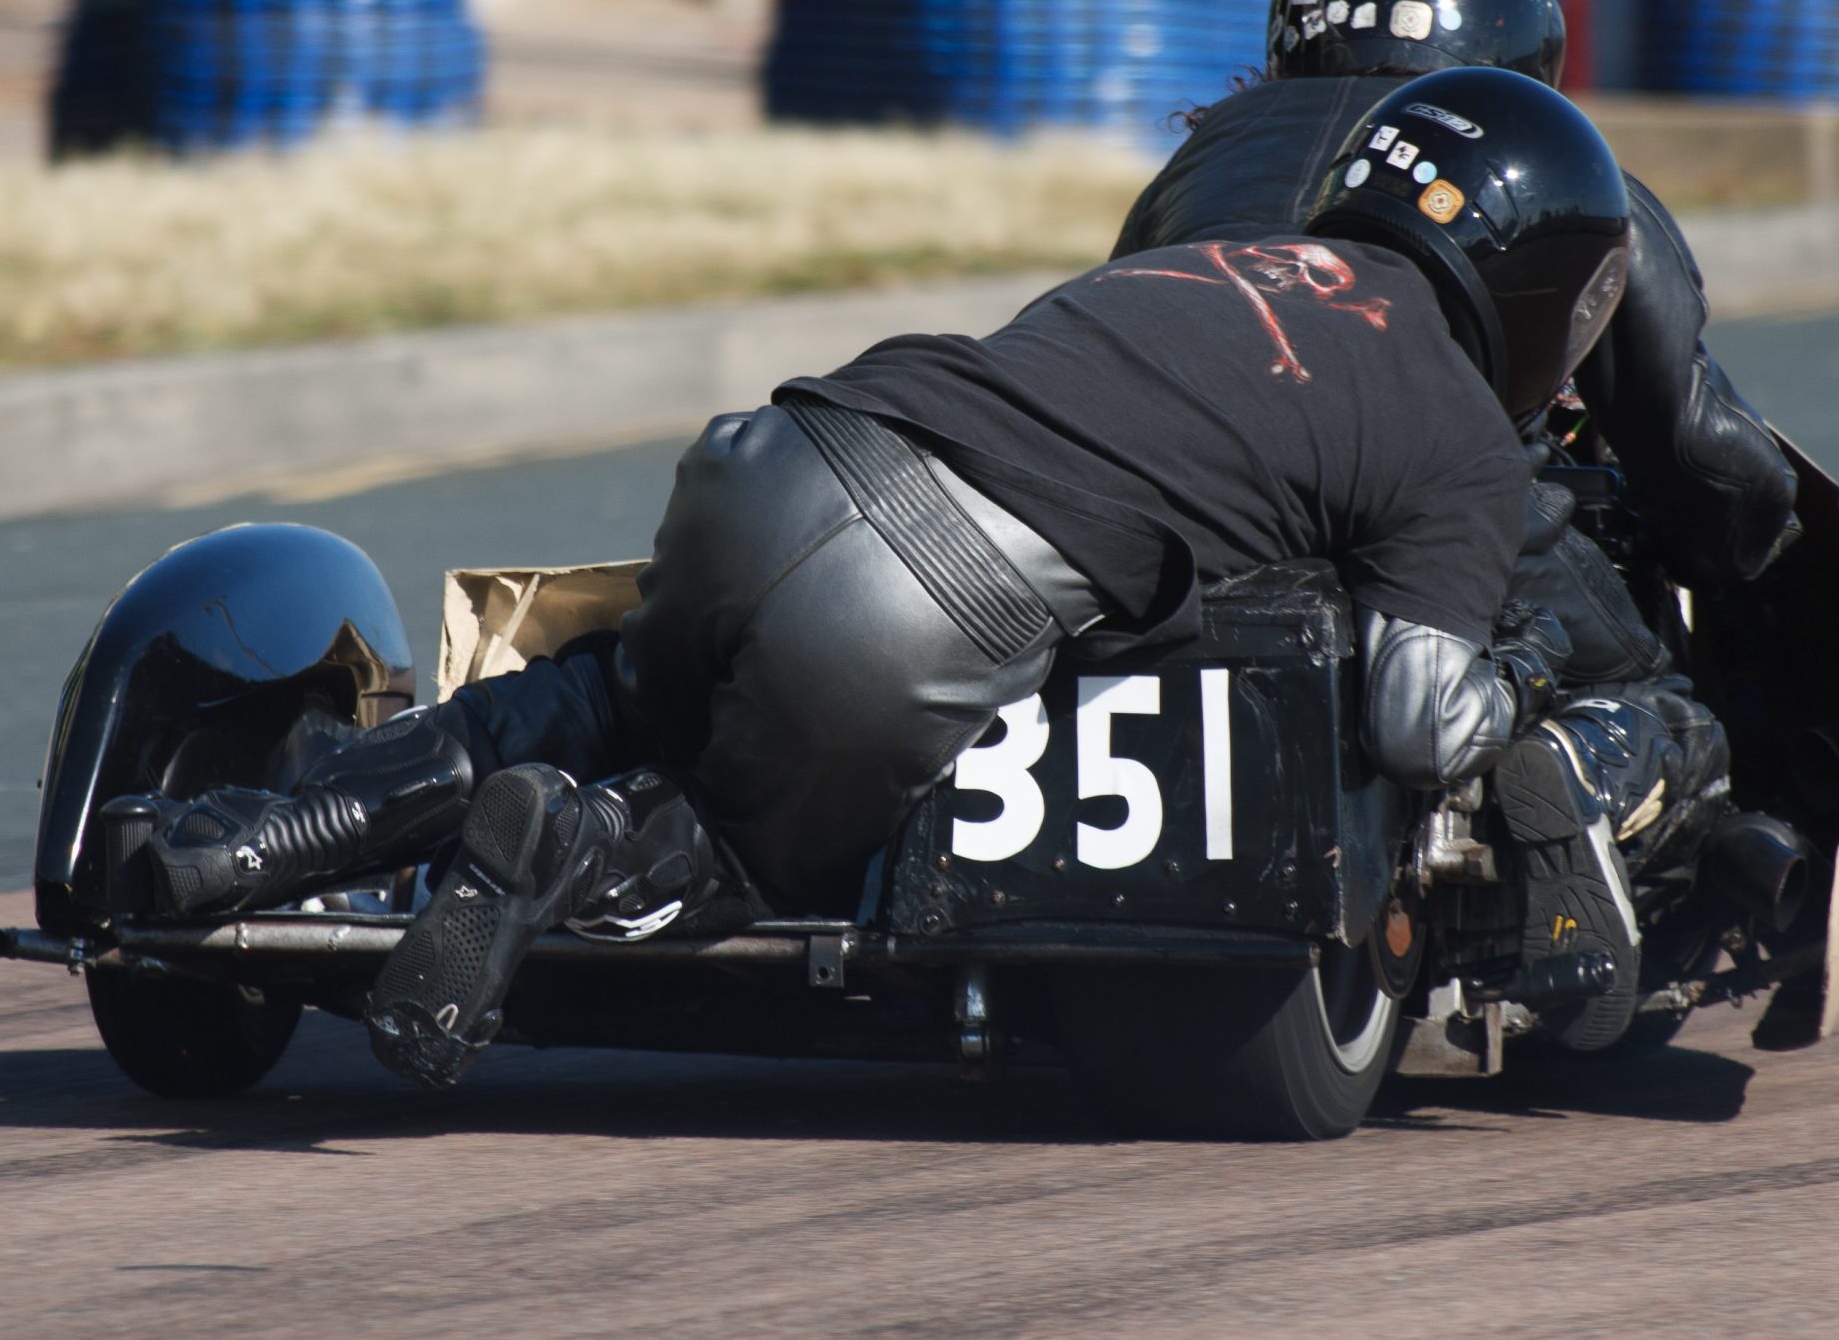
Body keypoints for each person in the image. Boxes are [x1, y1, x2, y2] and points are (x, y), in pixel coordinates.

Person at [103, 66, 1641, 1089]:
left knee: (602, 690)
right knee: (756, 861)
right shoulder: (1458, 433)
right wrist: (1520, 684)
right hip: (925, 600)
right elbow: (1419, 710)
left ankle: (232, 844)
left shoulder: (1193, 265)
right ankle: (567, 850)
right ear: (1535, 285)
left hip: (783, 455)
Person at [1115, 0, 1798, 596]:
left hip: (1174, 535)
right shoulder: (1552, 171)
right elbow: (1697, 453)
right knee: (1652, 694)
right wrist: (1749, 538)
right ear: (1515, 36)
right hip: (1421, 536)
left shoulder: (1198, 161)